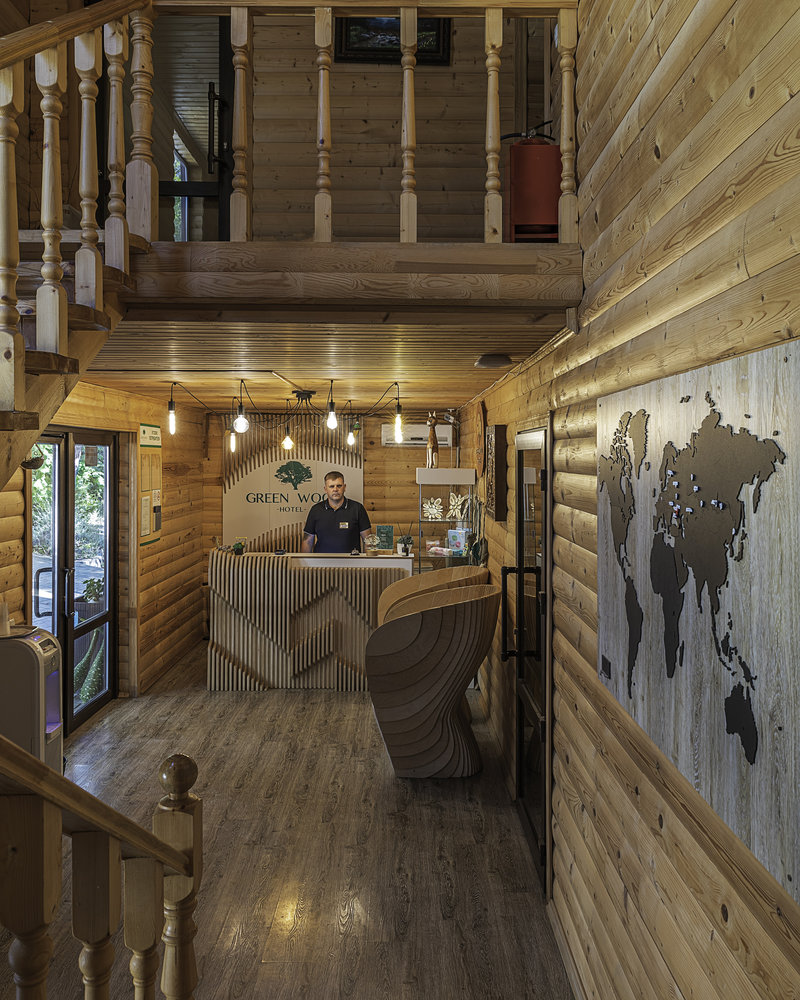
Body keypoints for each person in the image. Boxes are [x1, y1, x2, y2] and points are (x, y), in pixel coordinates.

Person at [301, 470, 371, 553]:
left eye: (339, 486)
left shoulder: (357, 508)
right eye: (331, 486)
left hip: (351, 560)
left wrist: (368, 560)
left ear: (344, 487)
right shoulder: (316, 510)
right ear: (325, 489)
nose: (335, 489)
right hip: (321, 560)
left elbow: (368, 540)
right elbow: (307, 541)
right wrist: (303, 561)